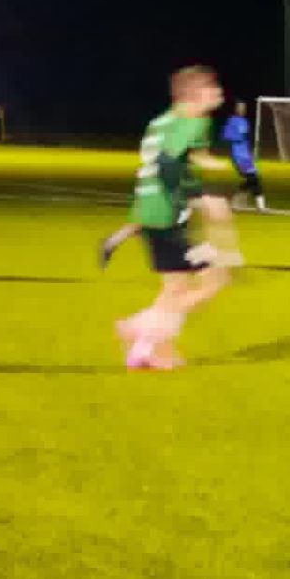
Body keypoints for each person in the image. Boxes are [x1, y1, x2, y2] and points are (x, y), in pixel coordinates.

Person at [113, 65, 237, 371]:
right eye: (212, 88)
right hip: (168, 217)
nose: (219, 93)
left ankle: (150, 351)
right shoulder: (194, 122)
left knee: (175, 288)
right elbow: (168, 163)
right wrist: (200, 198)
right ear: (194, 95)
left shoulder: (162, 121)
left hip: (153, 216)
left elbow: (168, 161)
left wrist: (205, 166)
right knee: (216, 278)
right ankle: (139, 326)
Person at [221, 98, 265, 210]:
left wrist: (251, 153)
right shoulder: (232, 121)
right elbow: (225, 136)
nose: (242, 109)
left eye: (243, 107)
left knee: (253, 179)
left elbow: (246, 139)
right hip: (238, 156)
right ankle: (261, 206)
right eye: (240, 107)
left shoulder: (245, 122)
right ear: (235, 109)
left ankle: (236, 200)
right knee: (254, 179)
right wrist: (237, 138)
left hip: (246, 157)